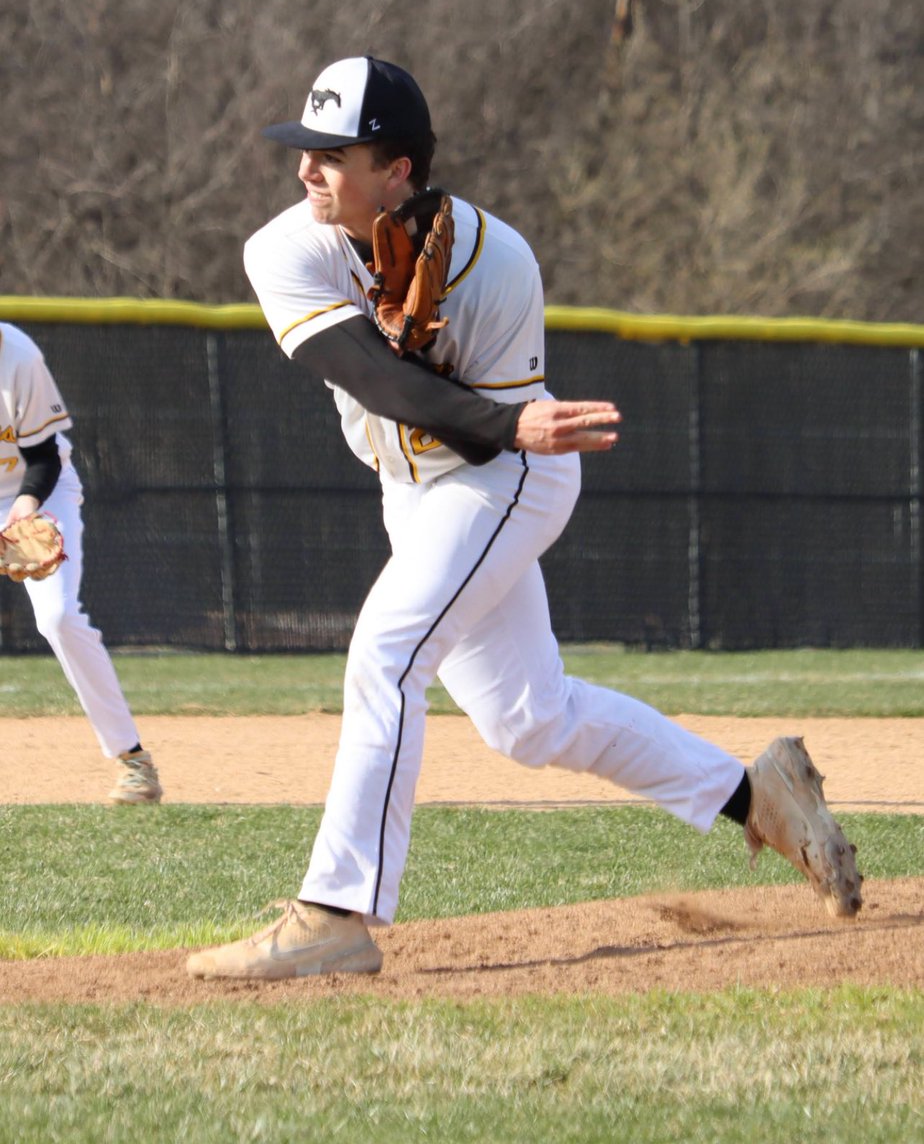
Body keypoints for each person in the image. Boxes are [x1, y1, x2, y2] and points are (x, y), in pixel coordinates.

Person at [186, 56, 860, 980]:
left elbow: (482, 446)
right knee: (529, 720)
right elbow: (369, 377)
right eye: (304, 149)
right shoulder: (284, 247)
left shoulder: (498, 264)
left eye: (331, 153)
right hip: (413, 485)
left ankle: (336, 913)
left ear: (397, 171)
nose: (306, 169)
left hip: (507, 477)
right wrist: (484, 405)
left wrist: (506, 420)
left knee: (387, 652)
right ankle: (760, 797)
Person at [0, 321, 162, 805]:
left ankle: (134, 763)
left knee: (59, 617)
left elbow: (44, 457)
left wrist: (24, 509)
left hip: (36, 490)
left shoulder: (17, 356)